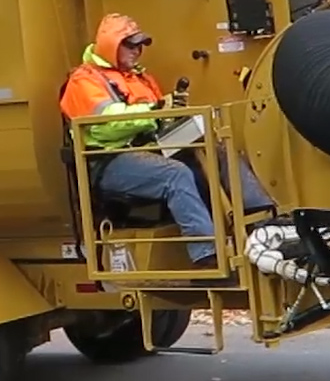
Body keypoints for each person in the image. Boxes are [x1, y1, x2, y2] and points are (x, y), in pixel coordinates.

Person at [59, 13, 219, 268]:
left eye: (140, 45)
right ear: (112, 45)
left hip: (145, 151)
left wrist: (173, 113)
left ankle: (259, 224)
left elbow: (155, 118)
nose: (138, 51)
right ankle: (207, 255)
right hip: (108, 162)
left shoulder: (140, 78)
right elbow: (106, 127)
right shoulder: (84, 81)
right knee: (175, 175)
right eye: (131, 45)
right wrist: (155, 111)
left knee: (213, 151)